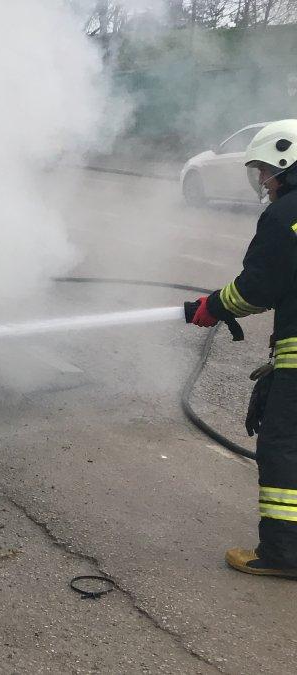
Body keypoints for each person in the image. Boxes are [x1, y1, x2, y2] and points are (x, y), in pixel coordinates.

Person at [188, 118, 297, 577]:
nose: (263, 181)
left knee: (283, 448)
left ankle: (282, 555)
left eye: (265, 170)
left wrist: (213, 307)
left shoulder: (285, 215)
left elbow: (257, 287)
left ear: (286, 163)